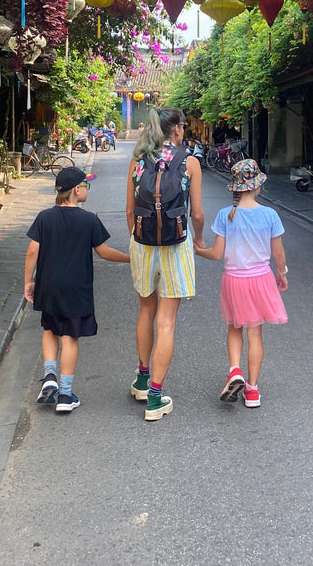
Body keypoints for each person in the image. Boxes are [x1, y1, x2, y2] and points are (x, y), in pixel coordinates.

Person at [24, 167, 130, 413]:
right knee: (70, 337)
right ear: (76, 190)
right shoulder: (89, 219)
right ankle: (65, 394)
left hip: (48, 284)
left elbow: (32, 250)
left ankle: (49, 376)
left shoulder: (44, 217)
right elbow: (103, 252)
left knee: (50, 328)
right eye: (85, 185)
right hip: (76, 288)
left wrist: (28, 281)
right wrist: (130, 259)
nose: (86, 189)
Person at [125, 105, 205, 422]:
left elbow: (129, 210)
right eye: (183, 126)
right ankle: (155, 398)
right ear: (176, 130)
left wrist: (136, 236)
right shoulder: (190, 163)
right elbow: (196, 213)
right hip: (176, 244)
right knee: (167, 321)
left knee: (146, 309)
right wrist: (198, 239)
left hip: (143, 242)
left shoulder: (137, 161)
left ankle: (143, 380)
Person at [195, 159, 287, 408]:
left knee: (235, 327)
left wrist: (198, 250)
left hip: (234, 280)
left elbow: (216, 254)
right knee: (255, 333)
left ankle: (234, 370)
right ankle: (253, 390)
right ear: (257, 186)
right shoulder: (270, 215)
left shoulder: (226, 215)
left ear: (235, 187)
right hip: (261, 279)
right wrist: (282, 272)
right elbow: (278, 252)